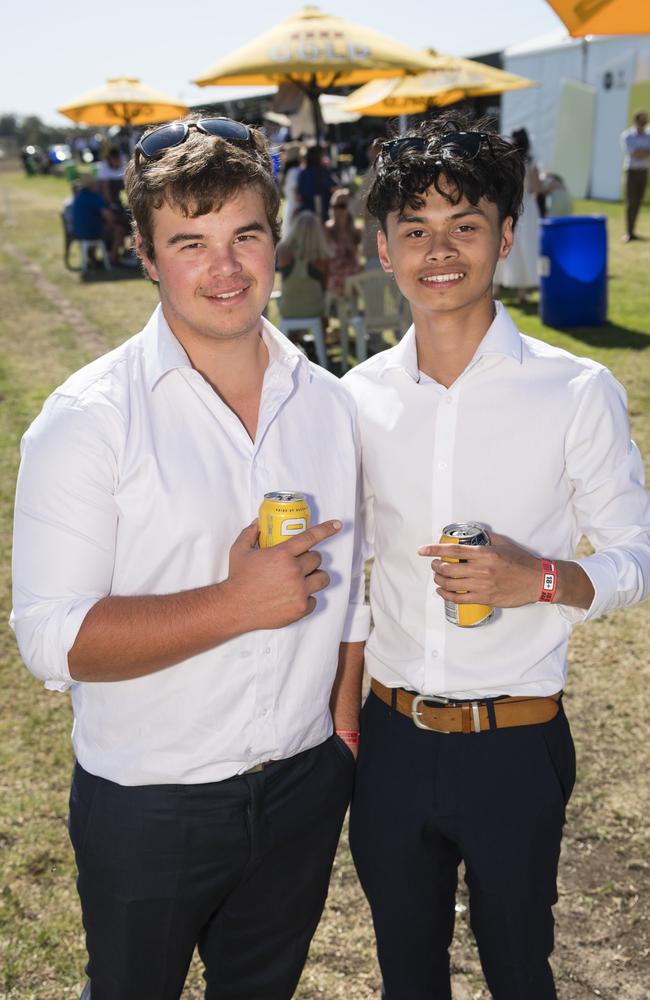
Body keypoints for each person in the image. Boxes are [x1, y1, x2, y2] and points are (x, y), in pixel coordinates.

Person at [11, 114, 369, 1000]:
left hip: (301, 786)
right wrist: (234, 603)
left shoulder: (330, 403)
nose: (225, 267)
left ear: (274, 239)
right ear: (144, 253)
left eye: (245, 234)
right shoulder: (88, 419)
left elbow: (358, 586)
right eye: (190, 241)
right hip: (149, 805)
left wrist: (342, 732)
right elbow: (52, 640)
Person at [341, 112, 650, 1000]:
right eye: (416, 232)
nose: (440, 251)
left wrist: (541, 579)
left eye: (464, 227)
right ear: (387, 250)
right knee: (407, 978)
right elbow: (351, 573)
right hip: (392, 742)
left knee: (521, 973)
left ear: (505, 236)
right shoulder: (357, 397)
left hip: (515, 744)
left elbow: (636, 552)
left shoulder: (576, 390)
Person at [494, 126, 540, 304]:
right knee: (526, 248)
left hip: (510, 205)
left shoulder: (508, 161)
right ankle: (522, 292)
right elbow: (535, 188)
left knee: (505, 244)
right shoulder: (531, 161)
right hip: (527, 207)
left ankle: (496, 288)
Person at [276, 209, 331, 350]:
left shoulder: (283, 252)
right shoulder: (322, 258)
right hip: (314, 309)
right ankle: (320, 348)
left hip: (288, 308)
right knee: (324, 310)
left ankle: (294, 344)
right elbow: (324, 287)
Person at [71, 172, 127, 266]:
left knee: (110, 229)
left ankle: (95, 259)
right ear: (92, 185)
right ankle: (112, 259)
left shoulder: (79, 196)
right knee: (119, 230)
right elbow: (108, 216)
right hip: (91, 232)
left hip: (78, 231)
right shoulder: (94, 197)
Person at [324, 187, 363, 299]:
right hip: (334, 285)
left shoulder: (357, 232)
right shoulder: (327, 230)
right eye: (335, 206)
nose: (338, 210)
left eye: (342, 206)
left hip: (354, 284)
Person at [620, 109, 650, 243]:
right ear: (636, 121)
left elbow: (643, 153)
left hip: (643, 171)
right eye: (642, 120)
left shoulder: (648, 135)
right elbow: (634, 153)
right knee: (631, 202)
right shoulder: (628, 135)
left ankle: (633, 231)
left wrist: (641, 152)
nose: (644, 123)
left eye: (646, 120)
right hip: (631, 171)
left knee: (638, 201)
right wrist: (644, 152)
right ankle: (629, 232)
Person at [296, 144, 337, 222]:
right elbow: (335, 189)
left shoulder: (303, 173)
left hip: (306, 213)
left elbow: (299, 196)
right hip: (322, 212)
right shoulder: (323, 172)